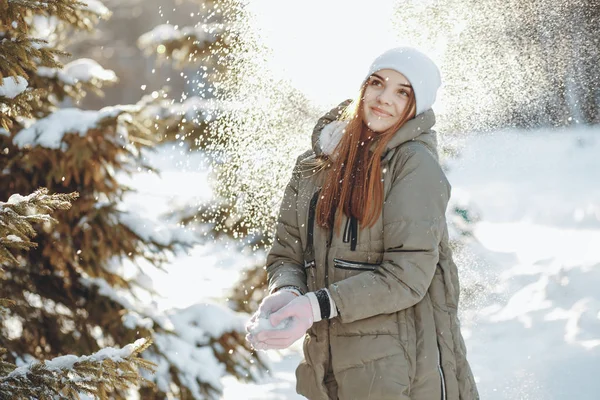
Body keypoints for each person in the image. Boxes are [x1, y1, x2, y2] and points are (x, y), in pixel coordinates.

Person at [245, 47, 479, 400]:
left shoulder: (413, 165)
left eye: (403, 92)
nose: (384, 99)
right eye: (377, 83)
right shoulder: (313, 166)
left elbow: (407, 274)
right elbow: (287, 254)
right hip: (326, 366)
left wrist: (314, 306)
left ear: (416, 106)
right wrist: (288, 292)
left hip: (401, 371)